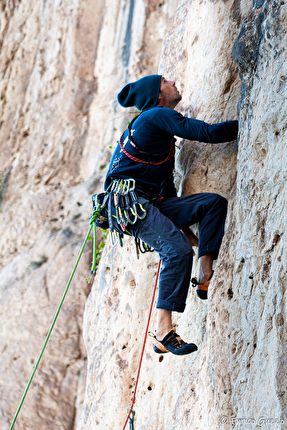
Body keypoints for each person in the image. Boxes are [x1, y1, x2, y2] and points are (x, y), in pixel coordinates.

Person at [103, 74, 238, 355]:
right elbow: (208, 133)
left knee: (212, 204)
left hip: (148, 203)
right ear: (157, 94)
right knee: (176, 251)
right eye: (166, 81)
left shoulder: (161, 141)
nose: (174, 82)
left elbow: (167, 192)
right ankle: (163, 331)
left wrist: (188, 233)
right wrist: (249, 120)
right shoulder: (155, 116)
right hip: (130, 204)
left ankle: (205, 274)